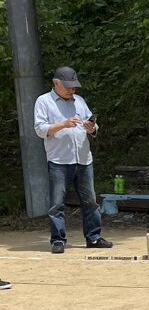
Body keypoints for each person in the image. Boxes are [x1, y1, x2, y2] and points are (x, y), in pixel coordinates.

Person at [33, 66, 112, 253]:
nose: (72, 90)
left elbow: (93, 125)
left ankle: (94, 238)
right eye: (68, 87)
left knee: (90, 201)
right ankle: (58, 240)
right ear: (56, 84)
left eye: (74, 86)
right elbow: (40, 129)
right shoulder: (43, 101)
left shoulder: (80, 101)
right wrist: (62, 124)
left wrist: (92, 127)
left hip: (84, 159)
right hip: (59, 160)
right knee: (57, 204)